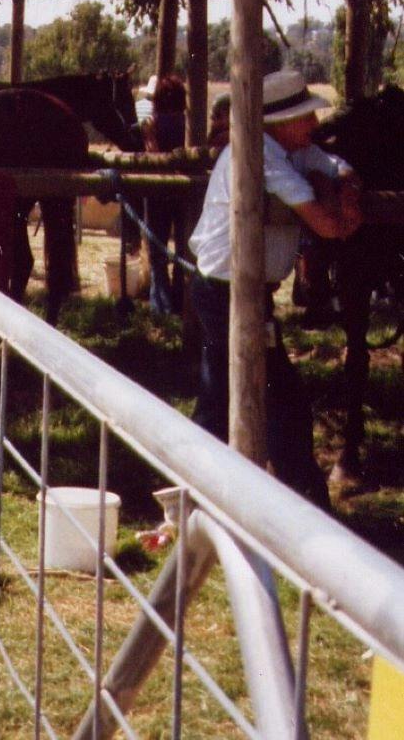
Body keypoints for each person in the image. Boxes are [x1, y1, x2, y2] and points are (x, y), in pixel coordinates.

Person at [185, 69, 361, 501]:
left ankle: (201, 494)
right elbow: (326, 226)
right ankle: (295, 501)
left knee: (238, 393)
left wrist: (347, 187)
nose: (315, 126)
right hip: (224, 289)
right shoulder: (260, 156)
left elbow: (336, 164)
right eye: (307, 117)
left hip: (247, 291)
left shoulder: (292, 149)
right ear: (280, 123)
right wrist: (340, 216)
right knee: (257, 397)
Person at [141, 74, 188, 314]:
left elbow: (154, 156)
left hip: (158, 190)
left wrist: (148, 135)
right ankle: (182, 298)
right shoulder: (188, 121)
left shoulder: (153, 123)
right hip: (184, 192)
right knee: (184, 247)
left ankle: (161, 305)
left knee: (157, 250)